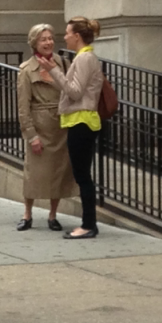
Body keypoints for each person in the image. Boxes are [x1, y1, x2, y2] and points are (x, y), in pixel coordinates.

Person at [40, 17, 104, 239]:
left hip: (82, 121)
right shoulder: (83, 57)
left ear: (77, 36)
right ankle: (88, 224)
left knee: (83, 176)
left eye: (67, 33)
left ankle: (88, 225)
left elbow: (75, 92)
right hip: (79, 120)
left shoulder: (85, 58)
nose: (64, 36)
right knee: (82, 174)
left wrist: (55, 71)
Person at [16, 24, 77, 232]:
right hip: (40, 126)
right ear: (34, 42)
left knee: (58, 172)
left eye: (51, 38)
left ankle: (53, 215)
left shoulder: (63, 64)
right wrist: (31, 135)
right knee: (33, 173)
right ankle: (27, 214)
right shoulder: (26, 70)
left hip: (61, 125)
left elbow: (72, 90)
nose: (48, 42)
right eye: (43, 39)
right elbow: (23, 107)